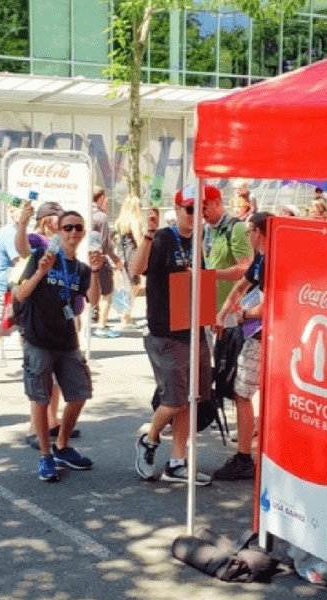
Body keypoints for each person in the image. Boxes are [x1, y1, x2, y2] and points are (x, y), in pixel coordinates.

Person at [131, 185, 212, 485]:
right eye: (190, 210)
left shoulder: (200, 240)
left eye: (201, 210)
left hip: (194, 328)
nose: (196, 215)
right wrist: (149, 234)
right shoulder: (164, 238)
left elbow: (198, 281)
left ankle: (177, 461)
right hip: (166, 331)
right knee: (176, 399)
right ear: (177, 211)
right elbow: (136, 270)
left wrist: (211, 312)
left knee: (191, 398)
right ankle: (149, 440)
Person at [14, 210, 103, 482]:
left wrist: (97, 272)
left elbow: (94, 300)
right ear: (59, 231)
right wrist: (41, 271)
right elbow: (21, 294)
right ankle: (45, 456)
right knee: (40, 399)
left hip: (66, 341)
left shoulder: (82, 269)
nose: (73, 232)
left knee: (79, 394)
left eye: (78, 227)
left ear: (83, 232)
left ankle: (62, 445)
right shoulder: (44, 259)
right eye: (68, 227)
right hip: (38, 339)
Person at [15, 200, 81, 448]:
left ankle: (52, 420)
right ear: (46, 219)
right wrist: (22, 223)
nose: (63, 222)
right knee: (40, 376)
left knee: (54, 378)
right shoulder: (37, 241)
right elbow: (21, 250)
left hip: (60, 316)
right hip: (35, 316)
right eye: (58, 218)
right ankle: (36, 428)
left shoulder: (64, 242)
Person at [214, 212, 270, 480]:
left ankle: (244, 457)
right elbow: (241, 285)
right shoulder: (261, 258)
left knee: (242, 393)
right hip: (260, 333)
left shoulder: (273, 260)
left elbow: (270, 306)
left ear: (259, 232)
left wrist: (244, 315)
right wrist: (223, 314)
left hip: (263, 334)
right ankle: (253, 451)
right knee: (254, 393)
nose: (247, 236)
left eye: (250, 231)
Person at [202, 185, 252, 312]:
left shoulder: (237, 228)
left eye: (204, 208)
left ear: (217, 203)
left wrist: (208, 275)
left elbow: (245, 269)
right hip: (207, 308)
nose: (200, 213)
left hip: (230, 310)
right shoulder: (204, 229)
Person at [92, 186, 123, 338]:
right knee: (106, 293)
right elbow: (106, 244)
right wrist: (116, 260)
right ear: (101, 199)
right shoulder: (101, 217)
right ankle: (101, 326)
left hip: (84, 259)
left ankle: (88, 325)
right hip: (99, 259)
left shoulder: (83, 213)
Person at [114, 194, 143, 327]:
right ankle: (126, 315)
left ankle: (124, 314)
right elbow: (138, 238)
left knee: (126, 283)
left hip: (122, 252)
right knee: (135, 283)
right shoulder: (134, 220)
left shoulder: (120, 221)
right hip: (132, 252)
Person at [0, 205, 22, 342]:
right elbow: (19, 260)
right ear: (12, 214)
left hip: (8, 286)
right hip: (5, 287)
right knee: (1, 326)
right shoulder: (11, 233)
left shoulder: (14, 231)